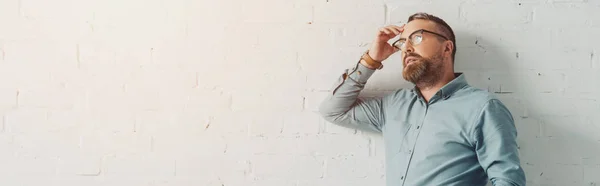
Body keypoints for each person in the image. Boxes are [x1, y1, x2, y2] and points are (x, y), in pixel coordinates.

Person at [318, 12, 526, 186]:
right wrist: (371, 60)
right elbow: (333, 110)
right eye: (402, 42)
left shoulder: (483, 108)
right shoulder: (393, 105)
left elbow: (508, 181)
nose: (406, 48)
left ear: (447, 48)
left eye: (417, 38)